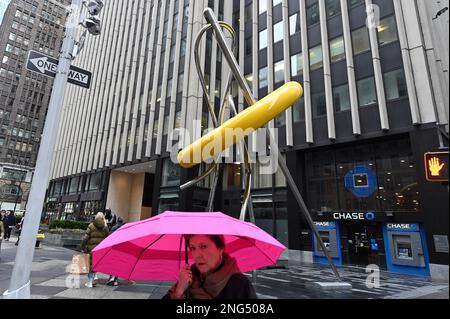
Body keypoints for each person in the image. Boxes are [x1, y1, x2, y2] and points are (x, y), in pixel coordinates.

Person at [164, 234, 257, 299]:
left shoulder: (239, 285)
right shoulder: (189, 276)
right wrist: (179, 291)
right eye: (193, 248)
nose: (197, 255)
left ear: (220, 248)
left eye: (203, 246)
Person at [80, 212, 109, 288]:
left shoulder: (91, 226)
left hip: (91, 248)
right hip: (100, 249)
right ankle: (94, 277)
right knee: (95, 264)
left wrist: (82, 246)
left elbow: (85, 238)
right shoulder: (105, 227)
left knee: (90, 265)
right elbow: (108, 238)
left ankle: (90, 282)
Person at [106, 217, 125, 286]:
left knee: (112, 262)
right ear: (122, 221)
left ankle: (111, 277)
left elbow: (110, 237)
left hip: (114, 247)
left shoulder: (114, 228)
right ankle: (115, 279)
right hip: (121, 248)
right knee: (118, 264)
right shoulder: (125, 228)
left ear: (117, 221)